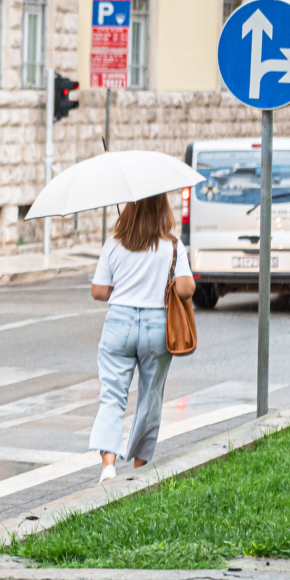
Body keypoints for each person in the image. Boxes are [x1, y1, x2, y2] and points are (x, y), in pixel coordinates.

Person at [89, 193, 195, 484]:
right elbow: (187, 289)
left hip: (119, 324)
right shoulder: (173, 246)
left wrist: (120, 289)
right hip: (156, 326)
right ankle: (139, 468)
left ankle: (108, 465)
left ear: (130, 211)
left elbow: (98, 291)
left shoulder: (113, 244)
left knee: (112, 395)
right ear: (162, 210)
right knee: (150, 398)